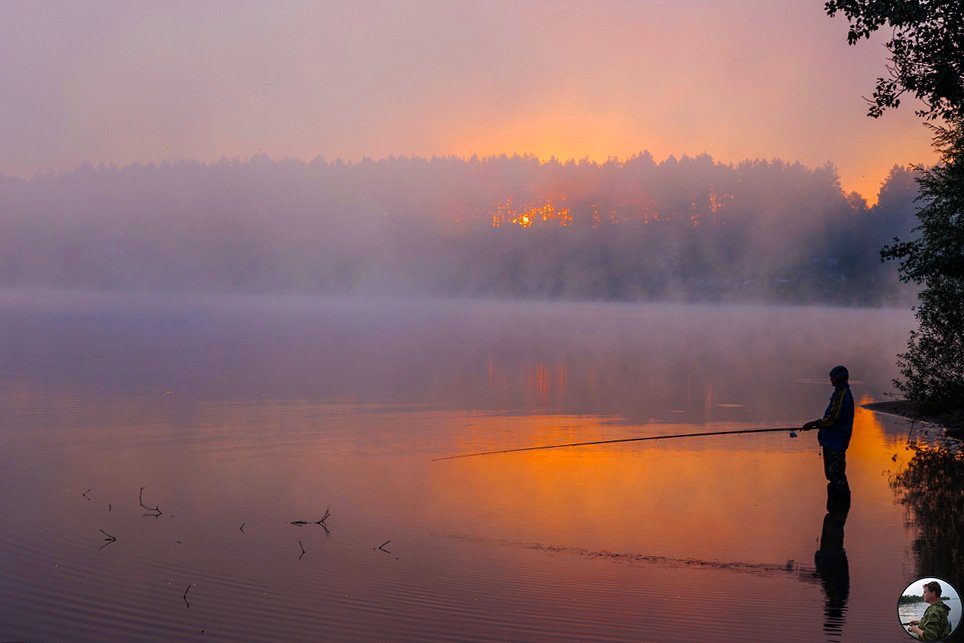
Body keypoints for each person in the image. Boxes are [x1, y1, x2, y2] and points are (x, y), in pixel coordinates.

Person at [802, 366, 854, 510]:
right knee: (831, 475)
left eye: (833, 377)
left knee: (837, 476)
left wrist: (814, 423)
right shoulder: (838, 393)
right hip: (830, 441)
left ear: (839, 378)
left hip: (836, 442)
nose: (831, 379)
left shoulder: (843, 394)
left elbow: (833, 419)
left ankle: (842, 509)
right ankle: (833, 510)